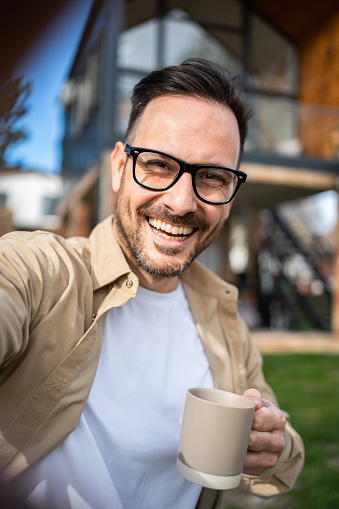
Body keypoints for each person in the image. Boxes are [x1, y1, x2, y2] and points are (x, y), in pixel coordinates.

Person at [0, 58, 304, 509]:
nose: (182, 203)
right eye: (160, 165)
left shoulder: (225, 318)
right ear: (120, 166)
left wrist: (272, 446)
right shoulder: (45, 273)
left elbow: (284, 462)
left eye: (213, 177)